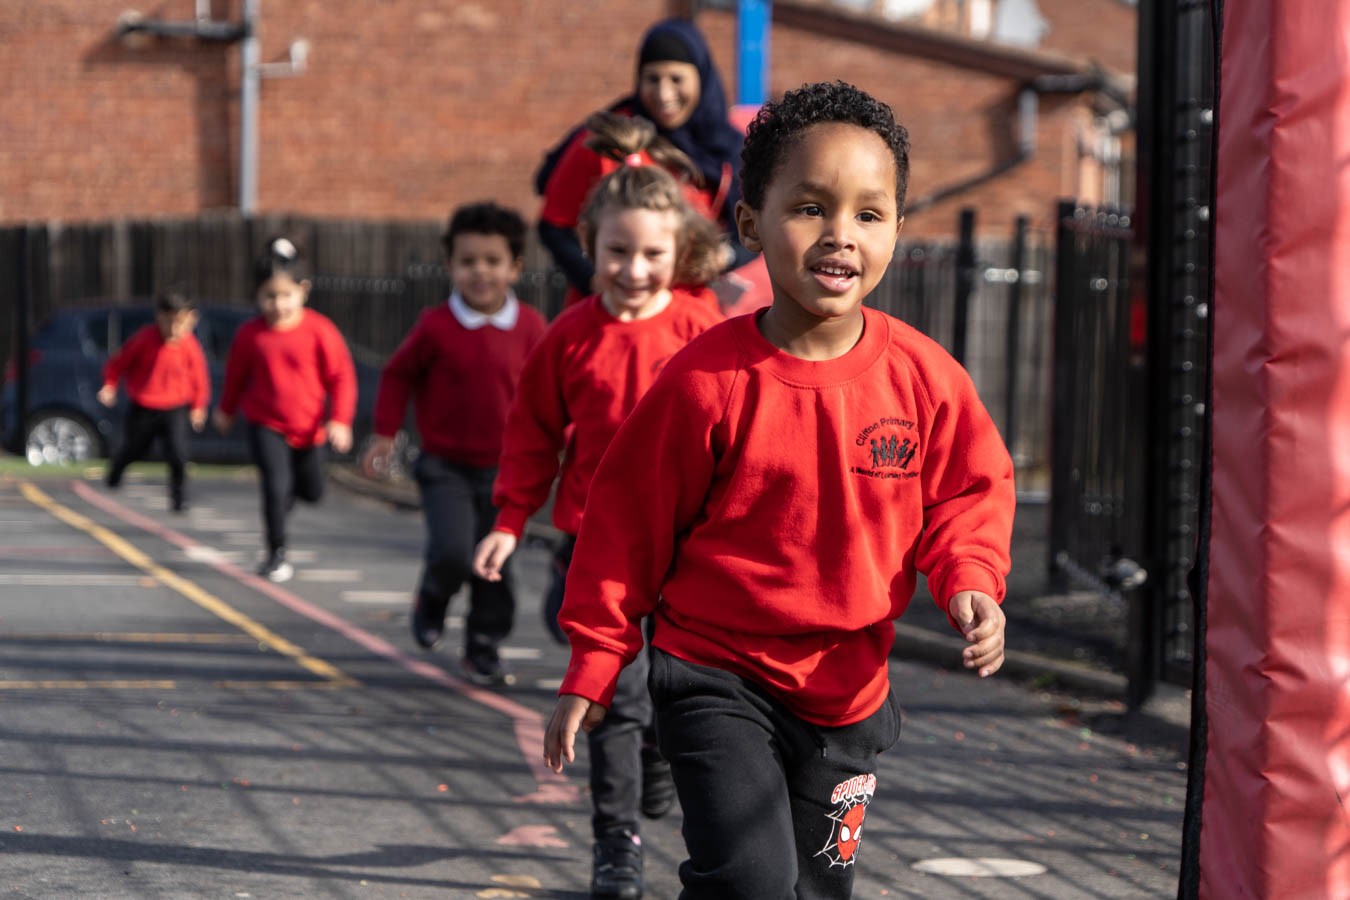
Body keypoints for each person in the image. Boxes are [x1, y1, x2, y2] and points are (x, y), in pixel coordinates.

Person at [542, 81, 1017, 897]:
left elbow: (968, 494)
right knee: (750, 880)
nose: (840, 234)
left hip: (848, 689)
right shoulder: (704, 380)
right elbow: (625, 524)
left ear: (898, 229)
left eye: (869, 214)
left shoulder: (926, 377)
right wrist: (596, 658)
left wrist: (971, 579)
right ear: (750, 223)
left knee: (816, 890)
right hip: (714, 673)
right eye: (810, 208)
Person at [473, 116, 725, 899]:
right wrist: (509, 521)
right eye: (618, 252)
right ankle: (616, 843)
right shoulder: (569, 338)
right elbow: (532, 435)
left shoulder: (704, 331)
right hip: (596, 546)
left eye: (652, 255)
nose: (634, 270)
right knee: (613, 692)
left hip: (688, 551)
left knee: (663, 693)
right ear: (588, 245)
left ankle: (657, 751)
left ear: (679, 253)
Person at [361, 202, 548, 686]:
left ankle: (483, 647)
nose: (480, 271)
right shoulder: (436, 325)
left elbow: (553, 390)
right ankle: (432, 596)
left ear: (515, 268)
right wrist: (385, 433)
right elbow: (397, 375)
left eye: (492, 261)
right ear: (450, 266)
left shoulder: (532, 327)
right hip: (444, 465)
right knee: (452, 551)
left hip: (508, 471)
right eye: (468, 261)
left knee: (496, 566)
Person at [535, 17, 750, 308]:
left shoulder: (729, 149)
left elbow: (757, 228)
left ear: (701, 77)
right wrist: (592, 280)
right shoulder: (609, 139)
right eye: (652, 79)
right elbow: (553, 225)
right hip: (612, 311)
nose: (663, 93)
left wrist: (725, 256)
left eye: (676, 79)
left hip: (690, 314)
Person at [213, 236, 357, 584]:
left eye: (285, 295)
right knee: (275, 487)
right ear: (257, 296)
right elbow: (235, 377)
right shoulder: (251, 335)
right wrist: (226, 410)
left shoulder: (320, 330)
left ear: (303, 291)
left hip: (309, 429)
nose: (278, 304)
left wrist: (340, 420)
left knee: (312, 492)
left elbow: (342, 378)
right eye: (269, 296)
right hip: (266, 425)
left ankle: (286, 500)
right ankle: (275, 553)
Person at [99, 290, 210, 512]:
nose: (175, 329)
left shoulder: (190, 345)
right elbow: (118, 364)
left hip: (176, 407)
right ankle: (116, 470)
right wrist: (110, 385)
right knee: (136, 449)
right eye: (170, 322)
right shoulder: (144, 339)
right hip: (144, 406)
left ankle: (179, 498)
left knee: (178, 453)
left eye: (181, 323)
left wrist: (198, 407)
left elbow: (200, 378)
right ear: (160, 317)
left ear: (192, 319)